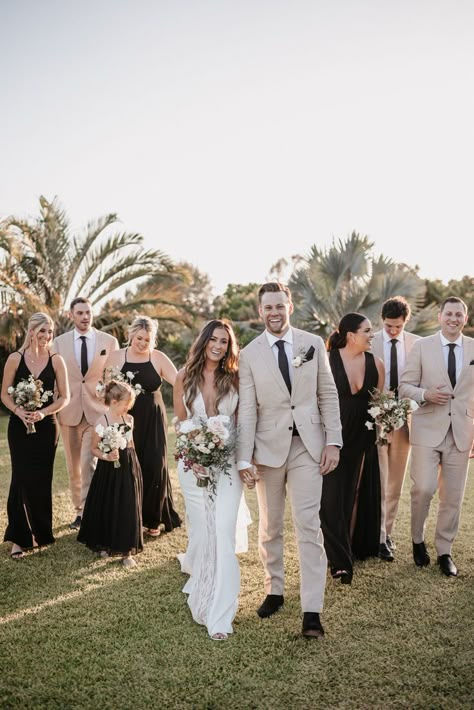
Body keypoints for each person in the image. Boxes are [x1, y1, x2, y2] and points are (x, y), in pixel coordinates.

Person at [237, 282, 342, 639]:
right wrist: (244, 458)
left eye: (280, 306)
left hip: (308, 447)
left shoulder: (312, 344)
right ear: (260, 310)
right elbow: (248, 410)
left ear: (290, 306)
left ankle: (312, 610)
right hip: (267, 451)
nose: (274, 313)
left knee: (308, 525)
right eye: (268, 307)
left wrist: (334, 442)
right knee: (270, 525)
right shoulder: (250, 355)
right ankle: (274, 590)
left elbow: (327, 393)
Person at [173, 319, 250, 640]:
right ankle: (202, 577)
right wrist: (197, 449)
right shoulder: (183, 377)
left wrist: (243, 457)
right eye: (213, 339)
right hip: (194, 467)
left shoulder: (236, 377)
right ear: (204, 341)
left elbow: (244, 419)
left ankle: (220, 614)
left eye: (224, 341)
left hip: (228, 465)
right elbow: (181, 422)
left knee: (223, 533)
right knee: (204, 533)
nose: (218, 345)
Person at [399, 296, 474, 577]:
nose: (454, 319)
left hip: (462, 432)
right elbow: (404, 387)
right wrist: (425, 395)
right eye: (449, 313)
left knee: (453, 497)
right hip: (427, 429)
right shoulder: (421, 347)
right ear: (440, 316)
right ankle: (417, 540)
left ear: (464, 319)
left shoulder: (473, 348)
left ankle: (445, 551)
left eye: (459, 314)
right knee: (424, 489)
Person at [320, 313, 385, 584]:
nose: (373, 335)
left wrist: (387, 417)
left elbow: (380, 401)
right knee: (332, 499)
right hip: (334, 437)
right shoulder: (328, 361)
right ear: (351, 335)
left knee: (357, 494)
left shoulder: (376, 363)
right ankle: (339, 562)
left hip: (364, 437)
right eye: (368, 330)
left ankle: (356, 546)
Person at [105, 315, 181, 536]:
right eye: (139, 338)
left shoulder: (157, 357)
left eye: (147, 340)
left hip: (153, 417)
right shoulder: (116, 357)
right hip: (126, 417)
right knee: (129, 465)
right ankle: (130, 516)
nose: (142, 343)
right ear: (131, 334)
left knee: (155, 464)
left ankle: (152, 519)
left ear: (153, 340)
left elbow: (179, 384)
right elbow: (107, 389)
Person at [1, 312, 70, 559]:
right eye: (42, 331)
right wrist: (20, 411)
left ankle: (41, 533)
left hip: (47, 427)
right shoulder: (14, 358)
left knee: (42, 478)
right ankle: (19, 538)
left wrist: (43, 413)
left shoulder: (56, 360)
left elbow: (64, 397)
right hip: (19, 427)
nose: (46, 336)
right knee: (20, 477)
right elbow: (4, 395)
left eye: (49, 332)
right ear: (31, 331)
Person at [53, 297, 119, 530]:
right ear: (71, 315)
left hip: (97, 412)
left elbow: (114, 377)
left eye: (88, 312)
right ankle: (79, 512)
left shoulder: (108, 341)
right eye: (80, 313)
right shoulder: (58, 343)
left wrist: (112, 408)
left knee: (88, 462)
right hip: (68, 412)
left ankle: (91, 509)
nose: (85, 317)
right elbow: (55, 379)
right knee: (74, 465)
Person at [371, 296, 420, 561]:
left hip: (405, 420)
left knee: (395, 482)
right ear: (383, 321)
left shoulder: (417, 344)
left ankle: (386, 535)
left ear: (405, 322)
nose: (392, 331)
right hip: (375, 419)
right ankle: (375, 535)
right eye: (388, 326)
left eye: (397, 327)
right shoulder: (370, 341)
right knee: (378, 479)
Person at [78, 380, 143, 567]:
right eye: (125, 404)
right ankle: (105, 543)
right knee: (108, 503)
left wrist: (135, 466)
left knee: (128, 504)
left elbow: (131, 445)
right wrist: (106, 456)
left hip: (128, 466)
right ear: (114, 401)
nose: (127, 408)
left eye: (129, 405)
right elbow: (94, 449)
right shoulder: (102, 421)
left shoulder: (129, 420)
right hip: (108, 469)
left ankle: (126, 550)